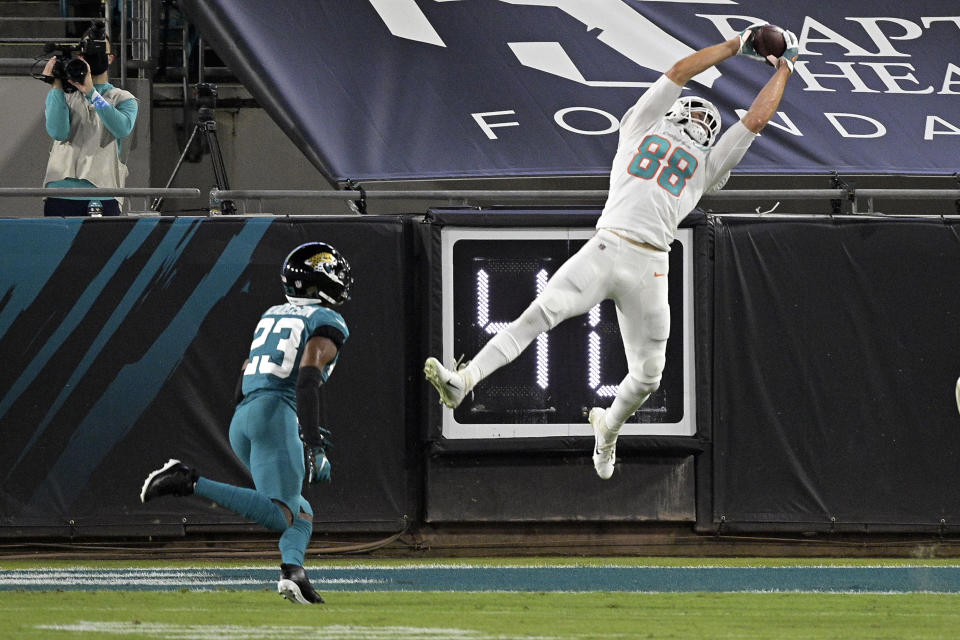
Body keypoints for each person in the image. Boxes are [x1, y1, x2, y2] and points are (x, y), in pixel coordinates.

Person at [424, 26, 799, 480]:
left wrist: (786, 68)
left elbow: (754, 120)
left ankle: (607, 429)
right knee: (541, 312)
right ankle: (464, 381)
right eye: (694, 113)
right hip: (609, 243)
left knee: (649, 376)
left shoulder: (706, 168)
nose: (700, 121)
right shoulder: (637, 126)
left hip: (651, 264)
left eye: (707, 121)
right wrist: (736, 45)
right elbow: (681, 71)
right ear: (673, 113)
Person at [140, 242, 353, 605]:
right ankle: (187, 480)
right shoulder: (326, 321)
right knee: (280, 515)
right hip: (275, 414)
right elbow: (306, 379)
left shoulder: (272, 313)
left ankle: (293, 574)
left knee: (300, 510)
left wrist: (262, 418)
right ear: (321, 280)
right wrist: (312, 442)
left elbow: (243, 374)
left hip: (245, 415)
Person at [41, 21, 138, 217]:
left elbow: (122, 129)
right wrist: (56, 86)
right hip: (59, 191)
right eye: (87, 52)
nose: (92, 56)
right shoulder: (63, 95)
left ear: (110, 58)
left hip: (103, 191)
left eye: (99, 51)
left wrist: (92, 93)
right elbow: (58, 132)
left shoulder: (123, 97)